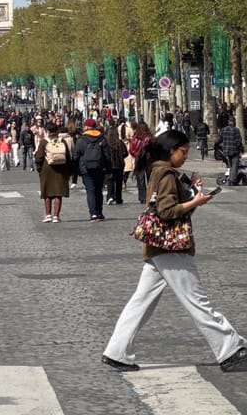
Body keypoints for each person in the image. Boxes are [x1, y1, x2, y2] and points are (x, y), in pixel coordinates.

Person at [103, 130, 247, 373]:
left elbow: (166, 205)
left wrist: (191, 191)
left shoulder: (158, 171)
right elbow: (167, 211)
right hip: (171, 248)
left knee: (141, 302)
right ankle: (230, 349)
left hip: (157, 248)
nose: (185, 156)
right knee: (197, 301)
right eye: (183, 152)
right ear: (171, 150)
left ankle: (117, 351)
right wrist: (196, 201)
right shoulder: (166, 174)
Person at [73, 118, 111, 221]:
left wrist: (75, 171)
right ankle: (99, 212)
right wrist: (109, 170)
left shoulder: (81, 140)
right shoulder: (102, 138)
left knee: (90, 191)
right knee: (99, 191)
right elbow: (107, 156)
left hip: (86, 169)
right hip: (100, 168)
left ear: (86, 127)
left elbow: (76, 156)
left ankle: (93, 213)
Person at [34, 122, 73, 223]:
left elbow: (38, 158)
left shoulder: (43, 142)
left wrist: (40, 169)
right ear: (57, 131)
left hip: (47, 169)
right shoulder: (62, 141)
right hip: (61, 169)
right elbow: (68, 157)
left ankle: (48, 215)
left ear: (47, 131)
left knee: (48, 193)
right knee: (58, 194)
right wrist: (69, 171)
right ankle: (56, 216)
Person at [215, 115, 244, 185]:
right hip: (234, 150)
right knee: (234, 166)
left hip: (226, 150)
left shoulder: (224, 129)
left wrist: (216, 144)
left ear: (228, 121)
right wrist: (241, 149)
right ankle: (232, 181)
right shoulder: (236, 130)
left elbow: (218, 139)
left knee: (230, 165)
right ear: (234, 122)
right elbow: (238, 141)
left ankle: (231, 178)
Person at [129, 121, 153, 204]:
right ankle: (150, 196)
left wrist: (137, 154)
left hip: (139, 159)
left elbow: (131, 150)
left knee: (140, 179)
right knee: (150, 178)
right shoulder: (151, 138)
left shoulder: (135, 138)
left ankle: (142, 197)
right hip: (149, 159)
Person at [105, 124, 128, 205]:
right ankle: (118, 198)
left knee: (110, 181)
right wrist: (121, 157)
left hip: (109, 165)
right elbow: (126, 153)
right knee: (118, 182)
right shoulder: (120, 143)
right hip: (119, 165)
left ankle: (110, 196)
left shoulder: (106, 143)